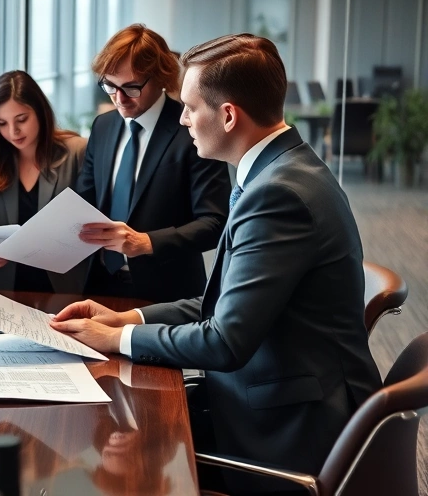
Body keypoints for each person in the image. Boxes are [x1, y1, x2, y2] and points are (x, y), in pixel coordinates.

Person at [50, 33, 382, 492]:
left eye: (190, 107)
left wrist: (116, 339)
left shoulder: (277, 195)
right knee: (126, 431)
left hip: (289, 431)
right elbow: (223, 304)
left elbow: (225, 341)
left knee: (124, 455)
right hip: (270, 395)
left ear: (228, 115)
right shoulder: (281, 170)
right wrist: (126, 318)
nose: (182, 118)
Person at [74, 24, 230, 303]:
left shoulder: (192, 131)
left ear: (161, 78)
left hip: (167, 294)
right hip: (100, 285)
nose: (119, 99)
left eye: (131, 88)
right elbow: (82, 203)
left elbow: (216, 222)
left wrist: (145, 242)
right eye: (110, 86)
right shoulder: (103, 126)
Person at [0, 70, 88, 293]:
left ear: (40, 111)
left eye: (21, 120)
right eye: (2, 123)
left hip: (63, 286)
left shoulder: (77, 151)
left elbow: (86, 228)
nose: (13, 131)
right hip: (7, 287)